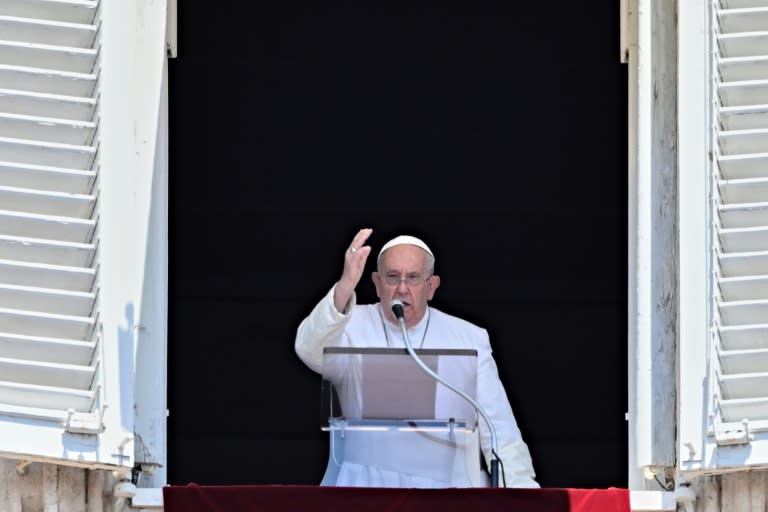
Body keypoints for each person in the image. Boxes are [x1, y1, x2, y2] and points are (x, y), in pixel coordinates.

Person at [295, 228, 538, 488]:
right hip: (365, 485)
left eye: (412, 278)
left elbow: (498, 427)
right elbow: (308, 349)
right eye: (392, 277)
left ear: (431, 287)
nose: (402, 288)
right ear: (377, 284)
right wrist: (345, 285)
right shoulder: (349, 324)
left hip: (448, 488)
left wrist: (521, 495)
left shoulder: (468, 338)